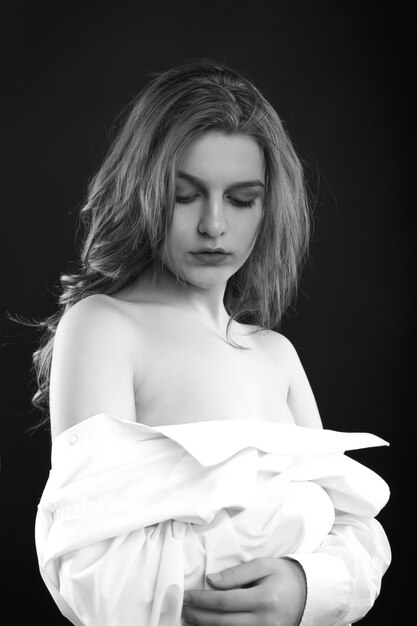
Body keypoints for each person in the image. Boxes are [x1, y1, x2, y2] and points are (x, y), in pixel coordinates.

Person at [33, 59, 391, 626]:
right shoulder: (103, 326)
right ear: (143, 191)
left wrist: (302, 588)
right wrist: (297, 521)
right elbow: (96, 579)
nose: (214, 226)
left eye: (243, 199)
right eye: (185, 195)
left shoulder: (277, 355)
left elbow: (359, 541)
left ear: (270, 207)